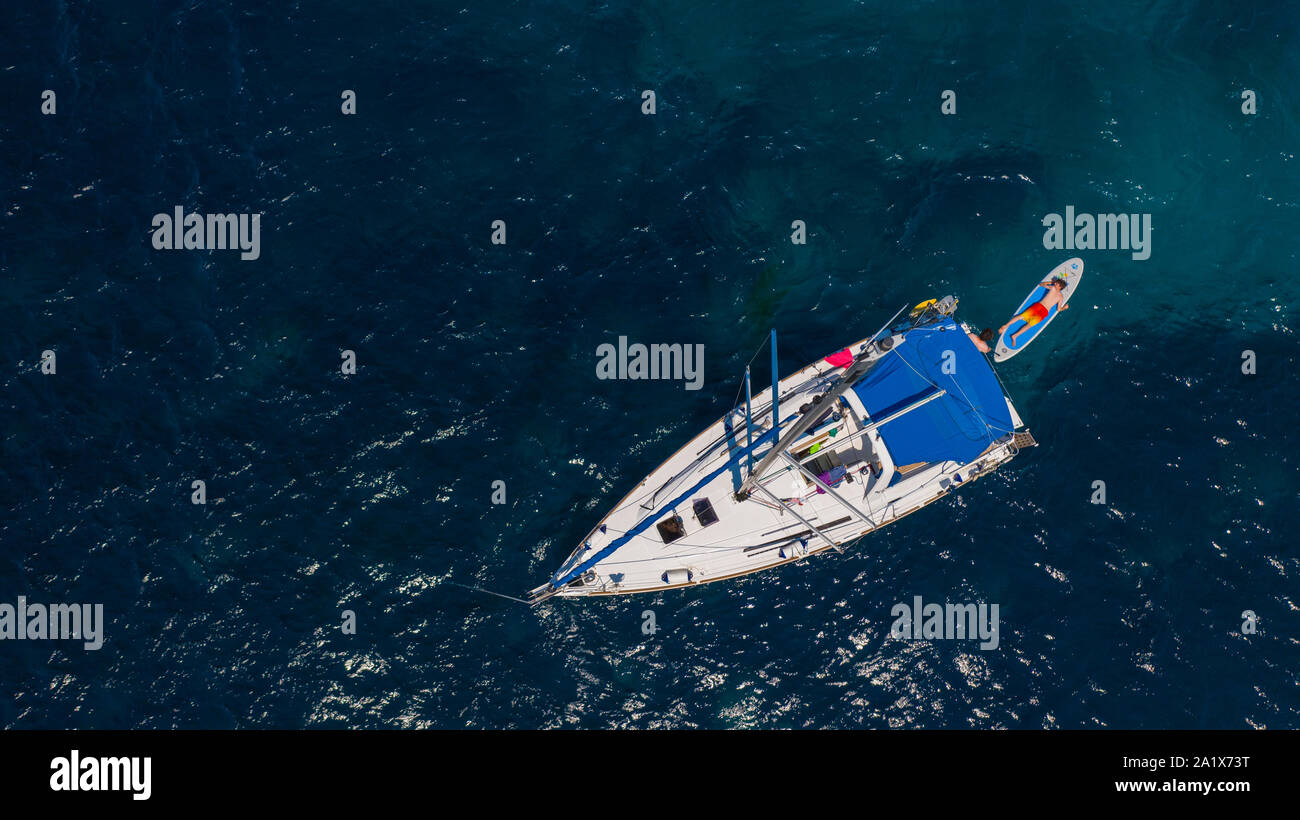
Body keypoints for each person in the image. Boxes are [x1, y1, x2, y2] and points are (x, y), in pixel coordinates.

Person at [999, 279, 1069, 346]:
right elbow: (1041, 284)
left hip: (1042, 311)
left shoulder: (1055, 291)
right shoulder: (1059, 294)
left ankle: (1015, 336)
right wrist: (1064, 308)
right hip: (1041, 308)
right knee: (1023, 317)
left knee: (1028, 323)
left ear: (1060, 287)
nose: (1055, 283)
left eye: (1057, 283)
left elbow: (1058, 309)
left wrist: (1064, 308)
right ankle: (1005, 326)